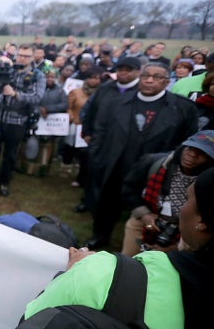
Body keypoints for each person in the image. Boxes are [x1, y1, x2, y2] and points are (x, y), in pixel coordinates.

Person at [23, 166, 214, 329]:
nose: (181, 208)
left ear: (202, 220)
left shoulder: (108, 273)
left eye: (187, 199)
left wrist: (74, 272)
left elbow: (31, 320)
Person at [84, 62, 199, 250]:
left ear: (166, 82)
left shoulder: (183, 108)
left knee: (149, 211)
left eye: (157, 77)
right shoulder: (116, 103)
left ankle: (145, 243)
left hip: (154, 172)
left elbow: (186, 142)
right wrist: (97, 160)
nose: (150, 80)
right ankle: (100, 236)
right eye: (146, 76)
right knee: (106, 206)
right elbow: (100, 131)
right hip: (115, 166)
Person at [121, 130, 214, 256]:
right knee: (128, 257)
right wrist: (144, 214)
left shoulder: (209, 183)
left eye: (201, 153)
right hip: (146, 220)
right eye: (190, 148)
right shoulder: (155, 162)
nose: (192, 155)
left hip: (184, 231)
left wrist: (173, 248)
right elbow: (129, 188)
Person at [0, 45, 45, 196]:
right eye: (20, 55)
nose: (22, 58)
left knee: (9, 155)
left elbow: (37, 97)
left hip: (17, 121)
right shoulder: (8, 69)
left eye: (26, 56)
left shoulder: (37, 75)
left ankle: (4, 183)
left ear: (33, 57)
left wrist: (16, 94)